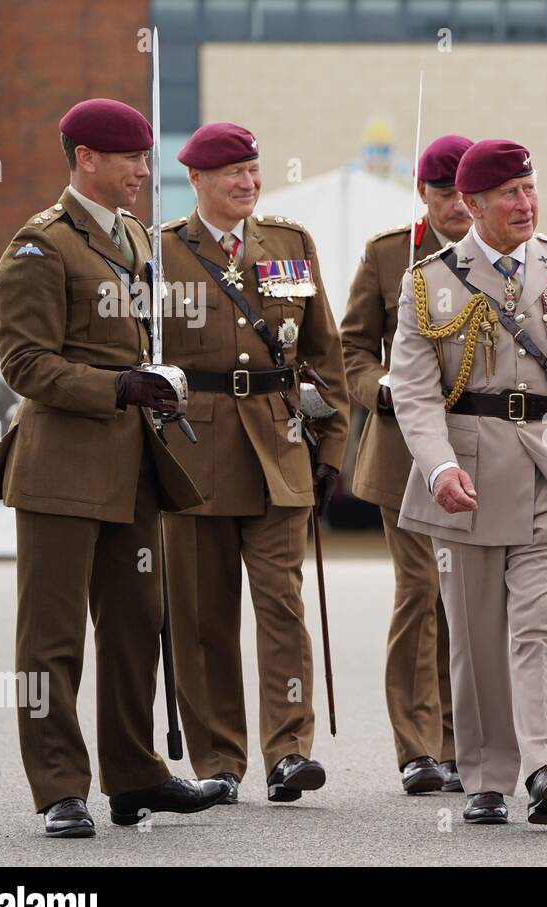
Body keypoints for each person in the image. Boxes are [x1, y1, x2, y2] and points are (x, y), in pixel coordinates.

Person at [0, 98, 229, 836]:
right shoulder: (40, 245)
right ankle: (59, 785)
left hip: (134, 465)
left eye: (146, 159)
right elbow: (24, 363)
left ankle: (135, 775)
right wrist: (116, 385)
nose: (144, 173)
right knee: (50, 638)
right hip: (61, 467)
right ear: (87, 158)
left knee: (136, 623)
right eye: (131, 160)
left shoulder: (139, 240)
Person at [389, 139, 547, 825]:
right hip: (467, 471)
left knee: (537, 623)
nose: (525, 203)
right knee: (475, 637)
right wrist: (437, 468)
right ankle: (488, 779)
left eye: (530, 189)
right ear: (470, 206)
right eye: (509, 195)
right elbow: (412, 393)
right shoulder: (429, 281)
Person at [157, 122, 350, 805]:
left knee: (282, 607)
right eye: (232, 173)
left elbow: (327, 352)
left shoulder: (289, 244)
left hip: (279, 449)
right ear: (198, 182)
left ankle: (289, 752)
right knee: (203, 615)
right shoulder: (160, 254)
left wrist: (332, 445)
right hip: (194, 451)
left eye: (253, 170)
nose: (247, 182)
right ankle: (219, 760)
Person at [340, 133, 473, 794]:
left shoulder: (507, 254)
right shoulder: (391, 254)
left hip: (483, 449)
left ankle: (462, 739)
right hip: (405, 452)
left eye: (464, 190)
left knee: (468, 598)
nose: (457, 204)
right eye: (443, 192)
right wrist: (379, 389)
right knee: (420, 592)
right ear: (422, 192)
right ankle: (419, 747)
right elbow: (351, 349)